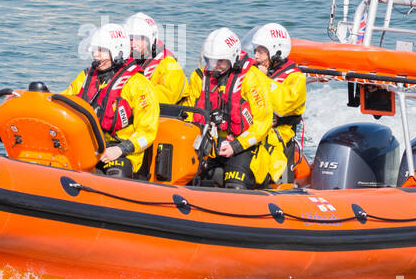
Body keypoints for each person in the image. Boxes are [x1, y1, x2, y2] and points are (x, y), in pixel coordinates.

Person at [185, 28, 284, 189]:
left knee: (234, 184)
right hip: (209, 143)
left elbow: (263, 122)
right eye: (210, 60)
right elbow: (189, 113)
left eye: (220, 61)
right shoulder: (199, 78)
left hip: (244, 145)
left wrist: (236, 145)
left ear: (232, 58)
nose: (214, 66)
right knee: (193, 179)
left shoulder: (252, 78)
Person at [64, 23, 159, 177]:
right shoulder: (86, 77)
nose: (96, 55)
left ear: (117, 51)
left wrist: (121, 149)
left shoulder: (139, 85)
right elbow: (64, 101)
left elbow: (147, 133)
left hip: (123, 153)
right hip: (88, 146)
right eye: (94, 50)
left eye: (101, 51)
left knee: (116, 175)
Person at [247, 22, 306, 183]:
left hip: (280, 139)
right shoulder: (256, 70)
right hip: (255, 133)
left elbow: (283, 106)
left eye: (260, 52)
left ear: (275, 51)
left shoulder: (295, 77)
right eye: (255, 51)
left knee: (280, 181)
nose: (256, 56)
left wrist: (263, 79)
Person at [125, 12, 187, 105]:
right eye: (130, 39)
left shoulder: (169, 65)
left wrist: (131, 100)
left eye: (139, 39)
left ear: (151, 39)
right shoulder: (125, 60)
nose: (133, 44)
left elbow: (167, 97)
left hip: (163, 114)